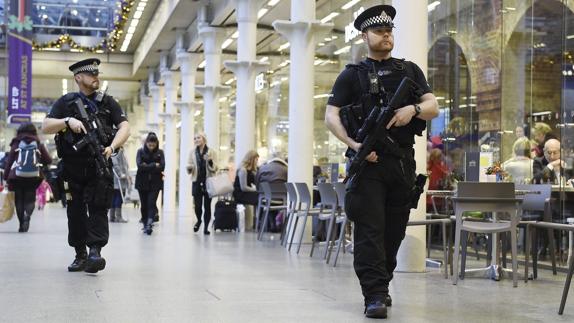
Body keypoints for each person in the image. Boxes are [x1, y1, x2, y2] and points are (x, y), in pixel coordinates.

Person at [324, 5, 439, 319]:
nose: (387, 35)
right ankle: (374, 294)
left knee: (394, 231)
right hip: (369, 164)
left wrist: (411, 111)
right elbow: (330, 116)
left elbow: (433, 106)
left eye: (390, 30)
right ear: (365, 36)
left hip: (401, 164)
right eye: (379, 31)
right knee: (370, 231)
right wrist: (354, 143)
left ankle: (382, 283)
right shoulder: (351, 75)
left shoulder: (409, 71)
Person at [42, 58, 130, 273]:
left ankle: (95, 252)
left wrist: (112, 147)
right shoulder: (66, 102)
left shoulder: (108, 103)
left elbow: (125, 127)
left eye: (97, 74)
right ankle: (80, 254)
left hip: (98, 165)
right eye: (91, 75)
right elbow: (45, 126)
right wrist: (66, 122)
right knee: (75, 211)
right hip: (71, 169)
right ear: (78, 78)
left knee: (99, 207)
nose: (96, 78)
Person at [3, 123, 52, 232]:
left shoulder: (16, 142)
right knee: (30, 200)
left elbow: (10, 161)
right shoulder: (38, 143)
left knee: (19, 200)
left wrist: (6, 177)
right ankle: (27, 216)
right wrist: (39, 161)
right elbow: (48, 160)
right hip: (33, 176)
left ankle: (21, 225)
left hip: (17, 176)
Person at [187, 133, 217, 235]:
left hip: (208, 182)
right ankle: (199, 220)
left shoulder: (211, 151)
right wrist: (189, 168)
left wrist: (209, 161)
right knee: (198, 206)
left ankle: (206, 228)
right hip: (196, 181)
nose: (196, 139)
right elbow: (189, 164)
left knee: (207, 206)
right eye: (194, 138)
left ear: (204, 139)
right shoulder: (192, 152)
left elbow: (215, 168)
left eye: (198, 137)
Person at [135, 132, 164, 235]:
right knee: (144, 205)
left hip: (155, 183)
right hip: (142, 183)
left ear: (157, 144)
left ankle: (149, 224)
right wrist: (153, 165)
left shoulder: (160, 152)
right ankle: (144, 222)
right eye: (149, 144)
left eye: (153, 145)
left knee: (151, 203)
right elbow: (139, 166)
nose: (151, 147)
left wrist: (146, 165)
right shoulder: (140, 152)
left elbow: (162, 167)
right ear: (146, 143)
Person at [109, 147, 131, 223]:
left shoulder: (116, 151)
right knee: (119, 198)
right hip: (119, 180)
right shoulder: (118, 151)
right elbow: (116, 164)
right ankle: (118, 217)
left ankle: (112, 217)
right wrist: (121, 174)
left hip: (116, 180)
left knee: (114, 198)